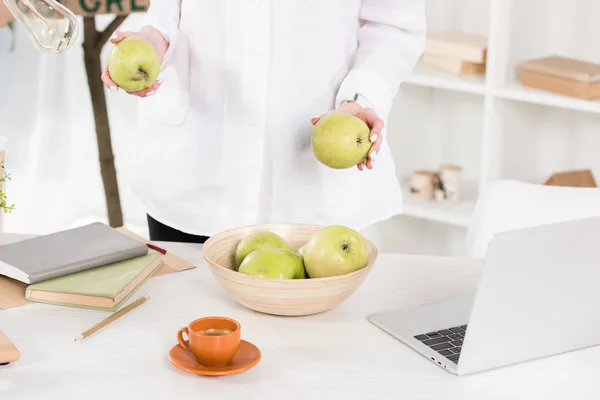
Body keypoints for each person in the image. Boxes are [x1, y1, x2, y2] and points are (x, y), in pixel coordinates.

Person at [101, 0, 426, 243]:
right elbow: (168, 11)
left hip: (309, 177)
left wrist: (360, 97)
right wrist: (155, 41)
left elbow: (393, 26)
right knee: (185, 323)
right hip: (195, 166)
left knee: (304, 331)